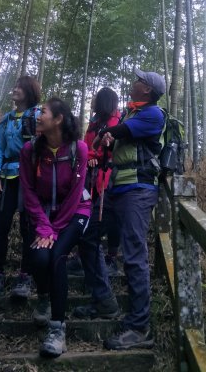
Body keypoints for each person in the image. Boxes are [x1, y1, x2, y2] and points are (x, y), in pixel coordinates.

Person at [79, 68, 166, 350]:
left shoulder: (153, 114)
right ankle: (104, 300)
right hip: (115, 189)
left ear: (147, 90)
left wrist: (105, 133)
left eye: (139, 80)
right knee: (87, 236)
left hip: (138, 191)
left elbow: (121, 132)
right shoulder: (131, 113)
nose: (134, 81)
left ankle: (140, 328)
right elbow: (114, 137)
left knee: (133, 253)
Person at [19, 97, 91, 358]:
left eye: (44, 112)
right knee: (38, 257)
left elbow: (74, 195)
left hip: (75, 212)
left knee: (57, 256)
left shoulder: (79, 149)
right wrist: (43, 226)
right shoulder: (30, 150)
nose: (38, 115)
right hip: (43, 215)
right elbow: (27, 191)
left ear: (58, 119)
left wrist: (54, 230)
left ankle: (58, 330)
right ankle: (43, 297)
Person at [0, 76, 41, 300]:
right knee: (0, 225)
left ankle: (25, 276)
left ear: (29, 91)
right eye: (14, 86)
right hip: (6, 177)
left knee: (28, 227)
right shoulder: (6, 119)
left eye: (20, 87)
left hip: (29, 178)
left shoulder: (37, 115)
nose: (14, 90)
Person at [67, 87, 121, 277]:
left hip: (107, 175)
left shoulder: (115, 121)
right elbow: (86, 146)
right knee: (86, 211)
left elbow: (107, 150)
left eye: (96, 98)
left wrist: (93, 156)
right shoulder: (94, 122)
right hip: (90, 174)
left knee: (109, 216)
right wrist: (88, 156)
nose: (92, 101)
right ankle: (83, 255)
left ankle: (112, 258)